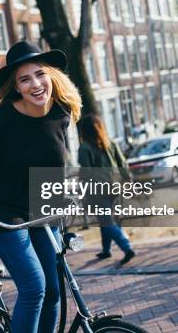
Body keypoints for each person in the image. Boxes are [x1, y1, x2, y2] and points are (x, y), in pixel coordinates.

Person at [0, 41, 82, 333]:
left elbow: (51, 163)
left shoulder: (61, 112)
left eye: (40, 74)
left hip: (40, 206)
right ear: (16, 87)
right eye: (25, 79)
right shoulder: (0, 121)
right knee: (34, 287)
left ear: (51, 75)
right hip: (2, 210)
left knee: (53, 289)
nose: (36, 84)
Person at [77, 114, 136, 265]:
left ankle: (127, 247)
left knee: (106, 220)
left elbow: (86, 172)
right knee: (106, 219)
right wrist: (128, 180)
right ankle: (106, 250)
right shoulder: (110, 143)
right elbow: (123, 163)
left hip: (98, 189)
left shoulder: (84, 148)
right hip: (116, 186)